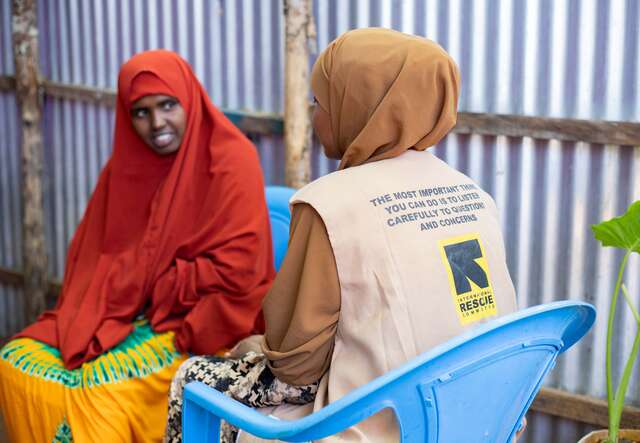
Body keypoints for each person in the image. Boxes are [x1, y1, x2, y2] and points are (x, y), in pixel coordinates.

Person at [165, 28, 520, 443]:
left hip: (374, 425)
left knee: (192, 379)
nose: (315, 117)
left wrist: (253, 347)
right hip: (473, 416)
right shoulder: (474, 195)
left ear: (360, 107)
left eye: (322, 102)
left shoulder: (329, 204)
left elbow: (295, 368)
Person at [0, 50, 275, 443]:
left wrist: (157, 280)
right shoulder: (125, 166)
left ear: (189, 100)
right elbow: (97, 255)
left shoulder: (231, 160)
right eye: (140, 112)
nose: (156, 123)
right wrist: (124, 289)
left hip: (207, 319)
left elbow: (240, 270)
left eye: (167, 105)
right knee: (16, 362)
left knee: (99, 387)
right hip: (130, 309)